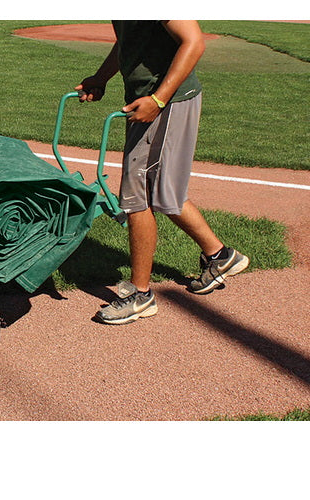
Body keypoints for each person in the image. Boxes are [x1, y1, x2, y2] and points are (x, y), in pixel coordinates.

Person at [76, 20, 249, 325]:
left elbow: (194, 42)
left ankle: (139, 296)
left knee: (137, 194)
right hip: (151, 101)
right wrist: (101, 79)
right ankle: (220, 255)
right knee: (162, 190)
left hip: (166, 102)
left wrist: (158, 100)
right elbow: (130, 41)